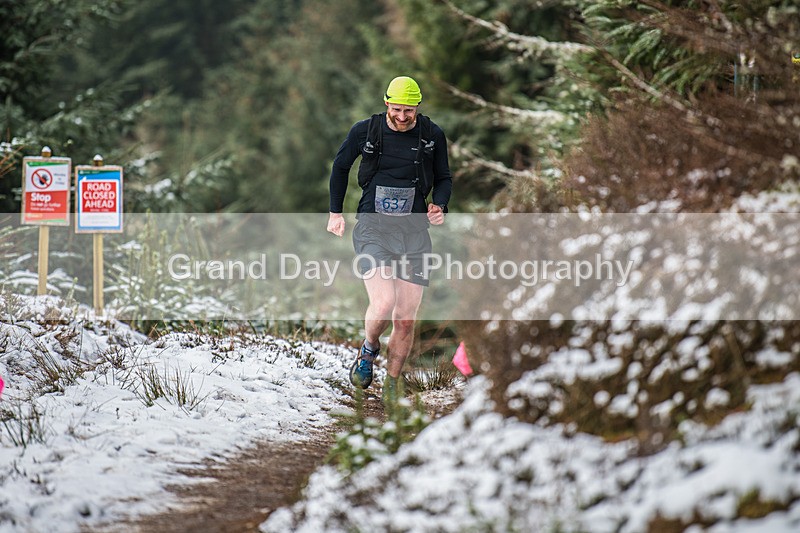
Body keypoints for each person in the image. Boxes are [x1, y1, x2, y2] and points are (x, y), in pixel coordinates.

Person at [326, 75, 452, 407]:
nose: (401, 116)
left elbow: (443, 177)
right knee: (382, 303)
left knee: (406, 318)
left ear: (417, 107)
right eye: (396, 109)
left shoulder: (431, 135)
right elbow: (340, 168)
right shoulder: (364, 131)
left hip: (414, 234)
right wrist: (335, 213)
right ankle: (369, 349)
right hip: (373, 229)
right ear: (386, 104)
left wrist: (440, 205)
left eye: (408, 111)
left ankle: (392, 384)